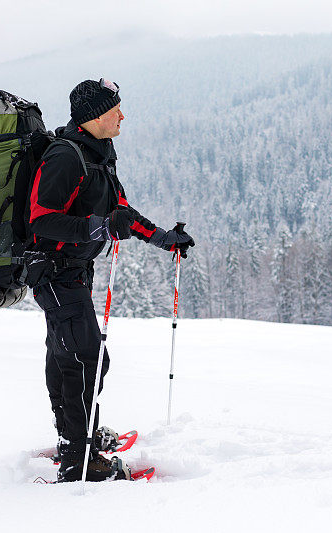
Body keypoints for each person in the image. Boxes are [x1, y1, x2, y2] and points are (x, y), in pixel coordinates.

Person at [28, 78, 195, 482]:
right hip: (52, 271)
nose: (122, 115)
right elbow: (41, 219)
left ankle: (75, 438)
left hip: (73, 271)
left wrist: (162, 238)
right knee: (87, 358)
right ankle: (80, 459)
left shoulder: (97, 154)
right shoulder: (65, 157)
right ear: (92, 117)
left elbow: (120, 208)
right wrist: (99, 228)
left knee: (67, 355)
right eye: (114, 109)